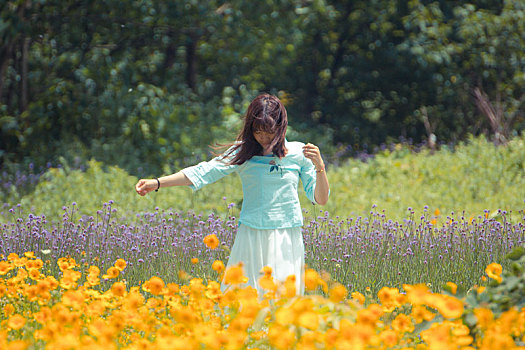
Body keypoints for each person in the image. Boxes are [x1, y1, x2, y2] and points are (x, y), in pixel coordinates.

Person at [135, 94, 329, 296]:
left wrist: (319, 166)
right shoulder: (242, 152)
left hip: (285, 235)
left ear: (281, 127)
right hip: (251, 233)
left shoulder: (299, 153)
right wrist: (157, 183)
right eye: (258, 132)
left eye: (269, 132)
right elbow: (203, 172)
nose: (263, 138)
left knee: (283, 298)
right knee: (243, 295)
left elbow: (321, 199)